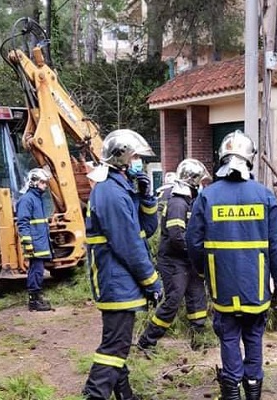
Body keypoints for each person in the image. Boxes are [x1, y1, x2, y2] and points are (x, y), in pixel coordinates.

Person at [186, 130, 277, 400]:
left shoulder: (207, 196)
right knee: (254, 339)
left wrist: (202, 272)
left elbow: (193, 242)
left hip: (222, 286)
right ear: (250, 159)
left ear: (222, 158)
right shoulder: (264, 195)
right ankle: (253, 390)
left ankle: (232, 391)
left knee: (229, 338)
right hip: (256, 288)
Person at [82, 129, 163, 400]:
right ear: (121, 158)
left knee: (118, 343)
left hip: (121, 279)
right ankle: (95, 395)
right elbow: (129, 244)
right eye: (136, 156)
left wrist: (146, 197)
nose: (140, 161)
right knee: (115, 347)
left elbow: (146, 229)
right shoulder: (111, 193)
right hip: (115, 280)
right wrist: (151, 281)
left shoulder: (122, 189)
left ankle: (125, 395)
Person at [137, 159, 211, 353]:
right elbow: (177, 237)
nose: (202, 184)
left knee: (197, 298)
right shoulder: (178, 202)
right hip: (174, 261)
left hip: (189, 259)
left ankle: (198, 340)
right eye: (200, 181)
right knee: (173, 300)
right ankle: (147, 341)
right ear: (192, 181)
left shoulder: (192, 200)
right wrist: (196, 251)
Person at [16, 168, 53, 312]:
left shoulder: (37, 198)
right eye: (42, 182)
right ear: (33, 182)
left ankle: (36, 297)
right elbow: (23, 223)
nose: (45, 185)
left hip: (40, 241)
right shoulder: (27, 200)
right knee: (36, 271)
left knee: (38, 270)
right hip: (35, 243)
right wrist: (28, 244)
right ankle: (34, 301)